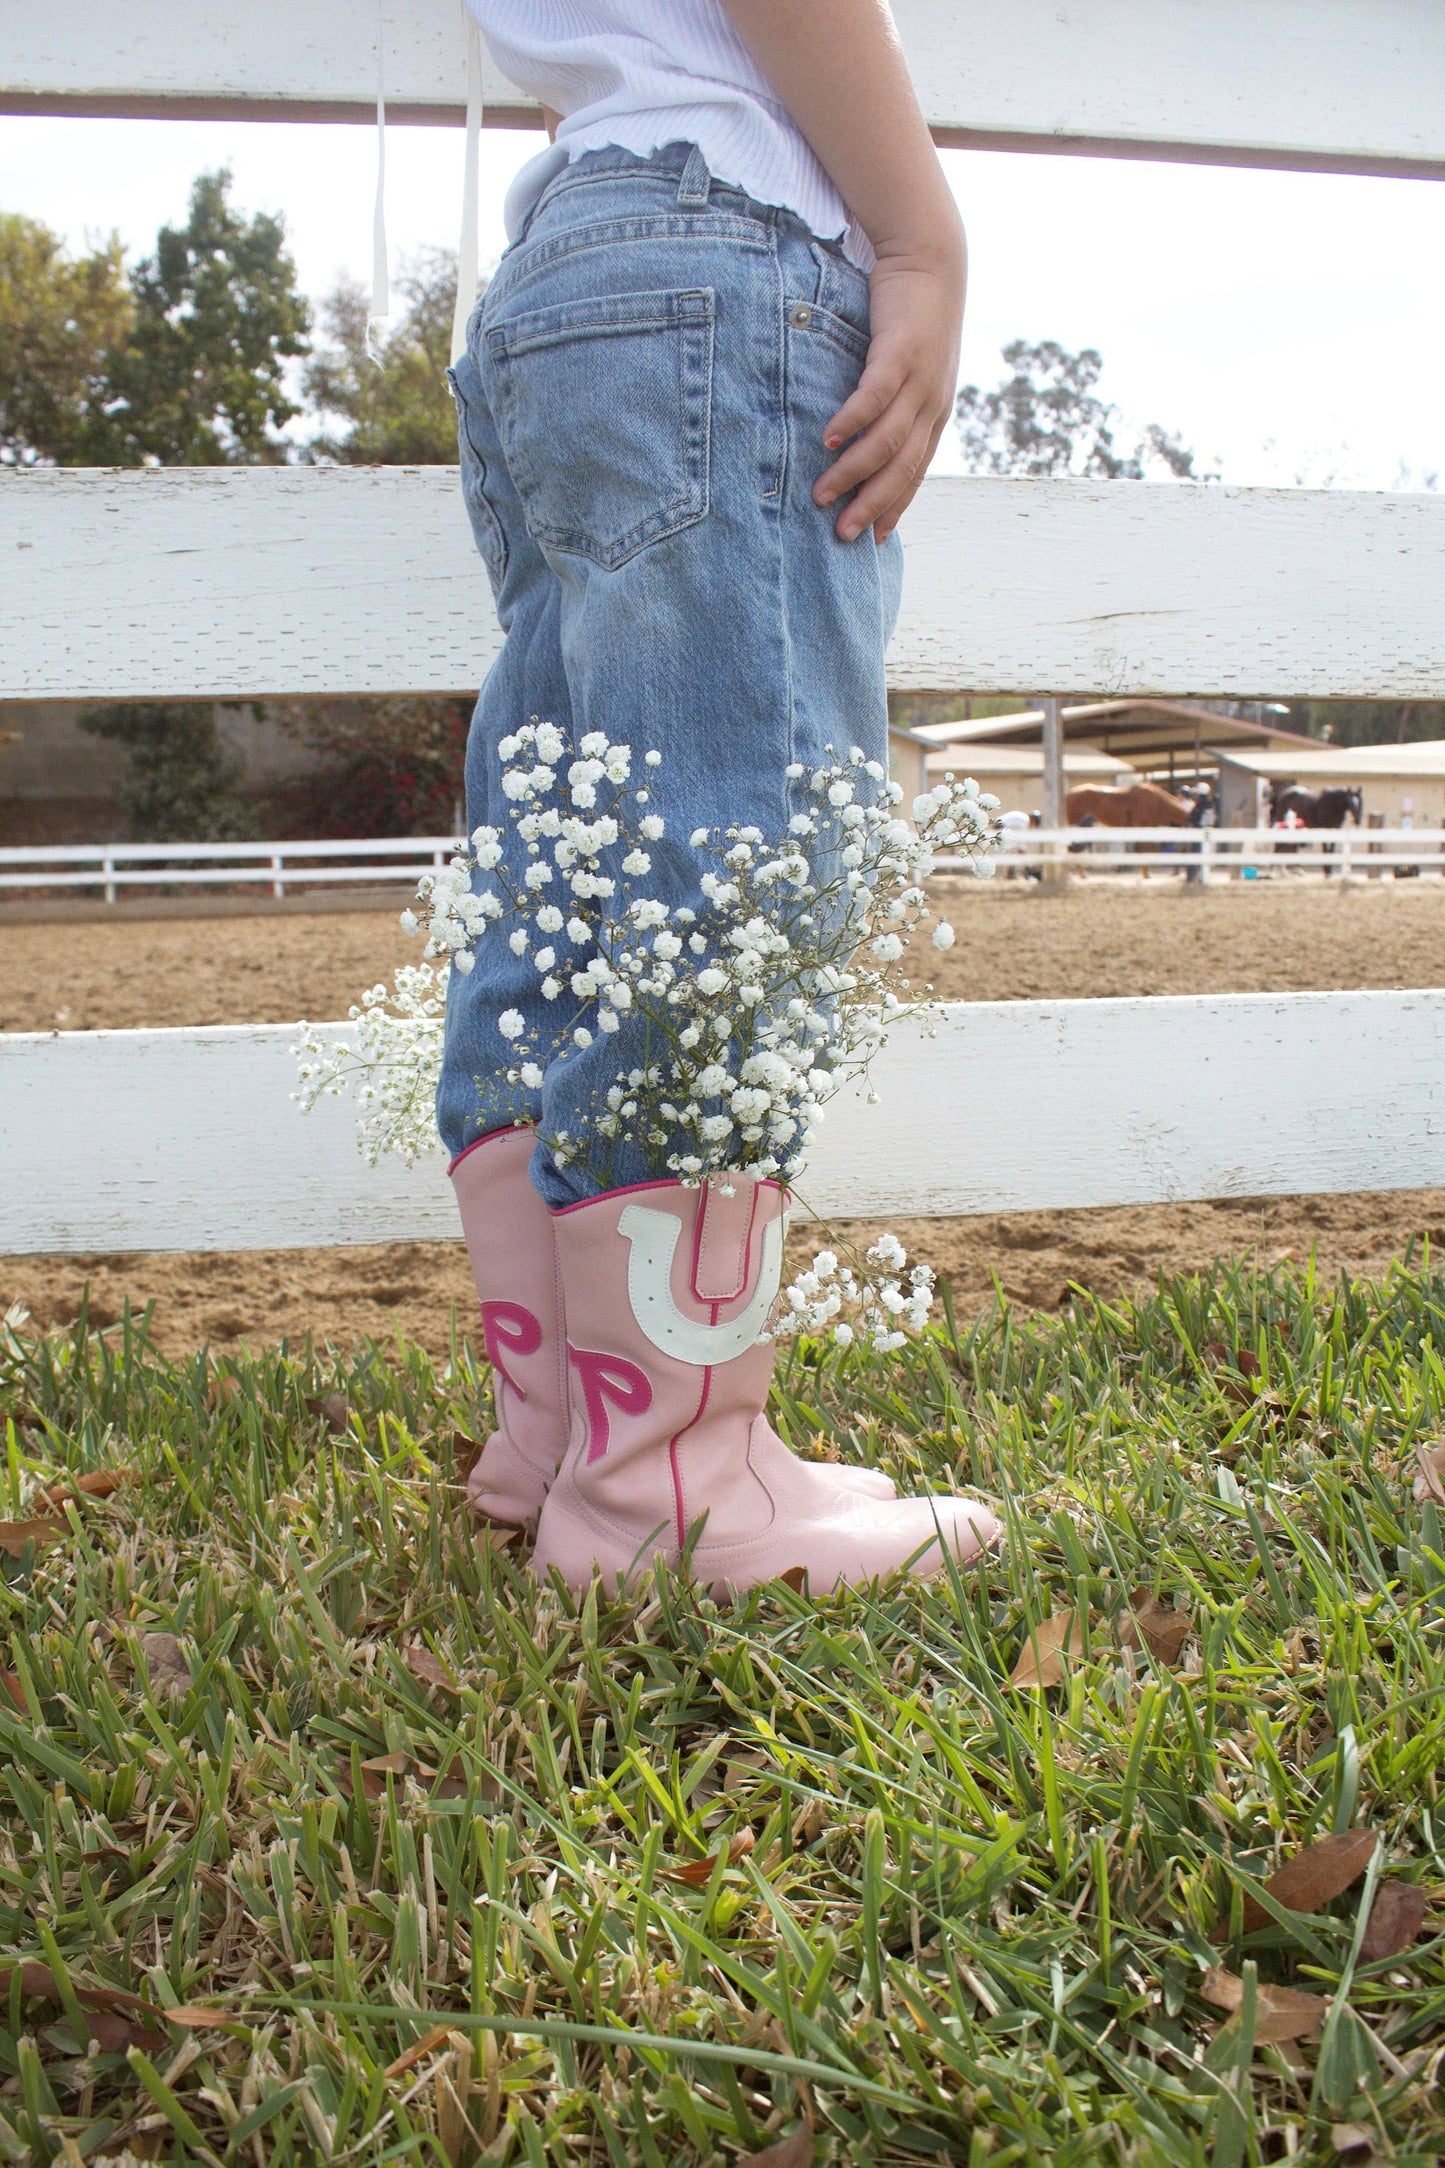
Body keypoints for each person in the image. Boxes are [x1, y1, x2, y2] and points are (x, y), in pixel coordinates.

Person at [440, 0, 1000, 1595]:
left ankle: (568, 1448)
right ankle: (662, 1501)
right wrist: (921, 238)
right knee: (732, 868)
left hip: (566, 269)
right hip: (716, 243)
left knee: (571, 869)